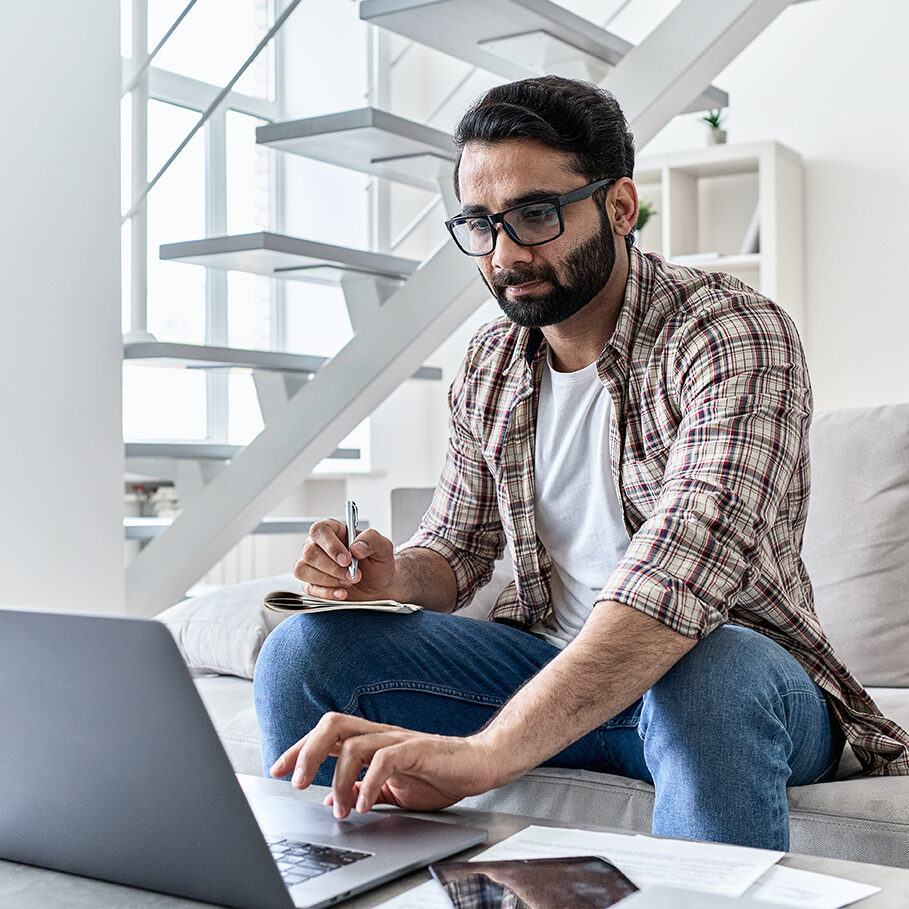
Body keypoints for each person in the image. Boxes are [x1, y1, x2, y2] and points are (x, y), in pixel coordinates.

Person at [254, 76, 909, 850]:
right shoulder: (492, 361)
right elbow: (455, 548)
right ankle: (336, 882)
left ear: (620, 206)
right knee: (305, 647)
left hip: (728, 683)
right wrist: (390, 577)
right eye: (480, 224)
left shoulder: (731, 332)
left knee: (708, 669)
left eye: (535, 215)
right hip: (542, 672)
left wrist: (487, 754)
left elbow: (679, 577)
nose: (504, 254)